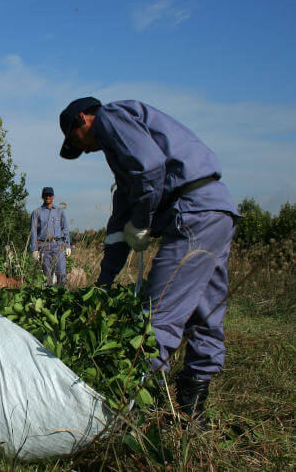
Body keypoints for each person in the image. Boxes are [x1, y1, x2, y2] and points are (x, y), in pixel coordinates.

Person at [58, 97, 238, 425]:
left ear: (84, 119)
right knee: (204, 312)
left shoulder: (110, 117)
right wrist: (104, 282)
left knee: (158, 317)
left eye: (76, 142)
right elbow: (121, 215)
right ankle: (191, 412)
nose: (83, 150)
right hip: (217, 210)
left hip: (192, 212)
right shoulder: (125, 144)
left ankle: (136, 415)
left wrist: (142, 219)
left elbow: (150, 168)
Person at [30, 187, 71, 285]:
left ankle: (61, 296)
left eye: (49, 195)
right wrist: (34, 249)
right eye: (45, 195)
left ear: (53, 196)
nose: (47, 197)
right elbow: (33, 232)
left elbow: (65, 228)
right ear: (42, 197)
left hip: (58, 246)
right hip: (44, 247)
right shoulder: (36, 212)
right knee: (47, 277)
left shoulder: (59, 211)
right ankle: (48, 298)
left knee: (61, 274)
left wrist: (68, 246)